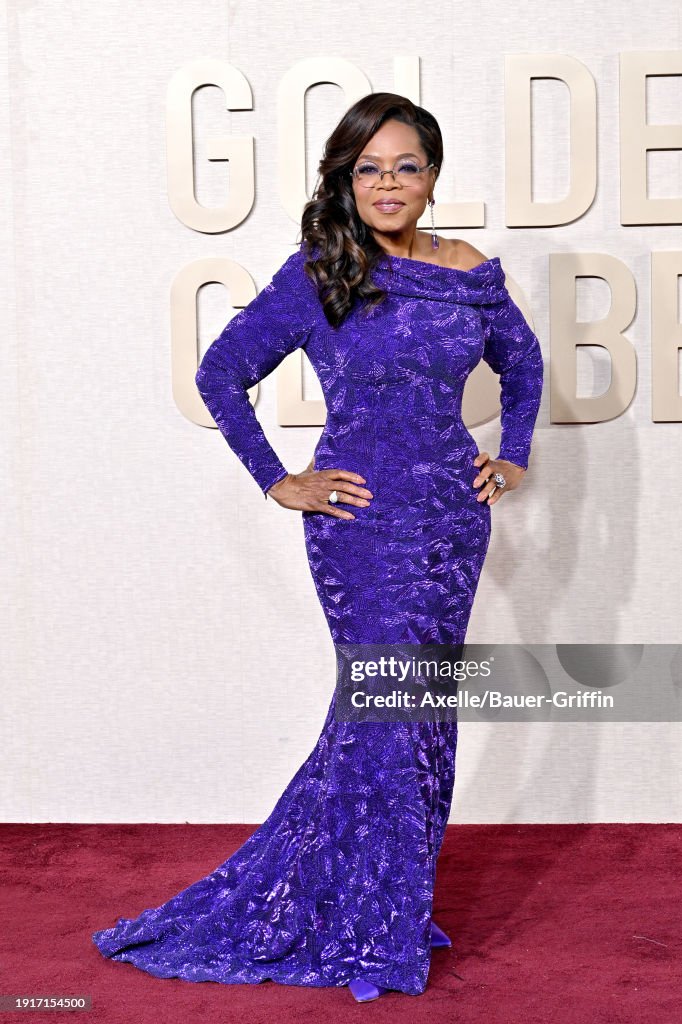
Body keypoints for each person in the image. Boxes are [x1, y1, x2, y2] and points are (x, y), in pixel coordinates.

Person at [91, 93, 544, 1003]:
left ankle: (385, 907)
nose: (388, 184)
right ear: (345, 178)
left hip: (452, 523)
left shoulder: (468, 272)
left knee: (419, 717)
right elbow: (220, 373)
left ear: (432, 177)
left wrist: (517, 454)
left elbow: (523, 366)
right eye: (369, 168)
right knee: (388, 715)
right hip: (359, 524)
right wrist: (277, 477)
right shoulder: (319, 272)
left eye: (405, 167)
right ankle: (368, 925)